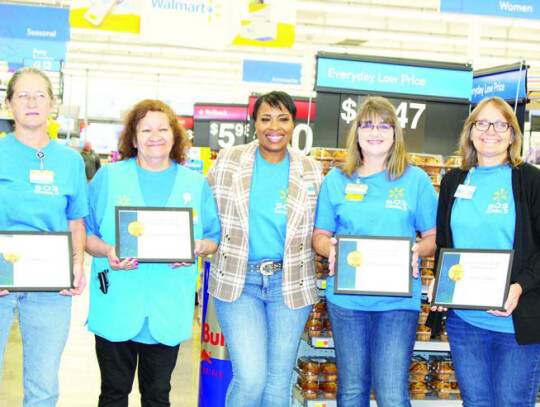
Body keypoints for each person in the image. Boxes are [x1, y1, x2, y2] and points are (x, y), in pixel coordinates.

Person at [85, 99, 220, 406]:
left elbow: (213, 237)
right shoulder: (109, 177)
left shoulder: (195, 184)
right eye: (145, 129)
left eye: (162, 128)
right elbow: (86, 235)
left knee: (158, 395)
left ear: (175, 136)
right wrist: (107, 250)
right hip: (117, 302)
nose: (154, 136)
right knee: (113, 393)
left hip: (167, 306)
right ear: (133, 138)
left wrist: (198, 247)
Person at [312, 96, 437, 406]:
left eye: (384, 125)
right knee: (351, 389)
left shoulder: (416, 180)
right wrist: (331, 249)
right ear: (357, 132)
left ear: (395, 133)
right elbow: (319, 235)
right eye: (367, 125)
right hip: (347, 299)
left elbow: (434, 237)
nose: (375, 132)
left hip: (397, 301)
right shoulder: (336, 180)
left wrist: (417, 250)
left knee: (391, 392)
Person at [206, 91, 323, 407]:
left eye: (283, 119)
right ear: (254, 123)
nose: (275, 127)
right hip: (239, 282)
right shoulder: (229, 161)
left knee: (277, 385)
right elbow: (204, 213)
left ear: (293, 124)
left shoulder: (311, 170)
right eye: (266, 118)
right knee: (251, 379)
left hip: (291, 284)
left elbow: (324, 227)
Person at [429, 96, 540, 406]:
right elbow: (445, 245)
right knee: (475, 402)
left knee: (512, 402)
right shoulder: (453, 181)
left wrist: (519, 287)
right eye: (481, 123)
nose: (490, 130)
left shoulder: (531, 181)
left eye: (500, 124)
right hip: (466, 322)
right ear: (470, 131)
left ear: (512, 134)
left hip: (517, 322)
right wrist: (441, 279)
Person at [0, 67, 88, 406]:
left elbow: (75, 220)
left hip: (51, 286)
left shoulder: (70, 161)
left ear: (53, 104)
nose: (31, 102)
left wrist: (77, 262)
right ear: (9, 105)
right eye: (22, 95)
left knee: (43, 386)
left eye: (40, 95)